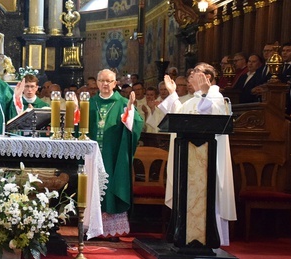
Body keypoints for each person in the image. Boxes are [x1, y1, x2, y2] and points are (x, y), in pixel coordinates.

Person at [158, 63, 236, 246]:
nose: (190, 77)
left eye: (194, 73)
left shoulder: (216, 97)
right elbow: (178, 118)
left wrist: (207, 92)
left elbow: (208, 116)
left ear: (207, 77)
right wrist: (172, 94)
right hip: (190, 163)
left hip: (207, 163)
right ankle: (186, 233)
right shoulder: (194, 99)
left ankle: (207, 237)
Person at [84, 69, 143, 239]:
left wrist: (130, 110)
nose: (105, 84)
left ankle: (110, 230)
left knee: (111, 185)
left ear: (115, 83)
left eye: (109, 81)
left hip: (113, 155)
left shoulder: (122, 103)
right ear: (96, 82)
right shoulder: (89, 103)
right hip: (92, 155)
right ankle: (90, 227)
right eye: (102, 80)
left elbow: (136, 124)